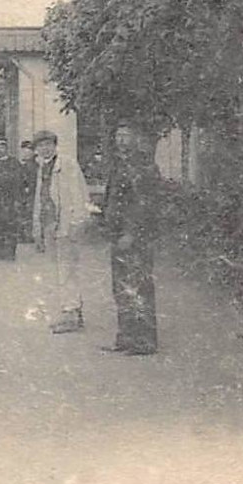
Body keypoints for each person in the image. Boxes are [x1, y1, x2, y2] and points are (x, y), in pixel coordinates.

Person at [103, 124, 160, 354]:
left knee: (139, 286)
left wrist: (131, 232)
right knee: (121, 287)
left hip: (136, 237)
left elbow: (143, 204)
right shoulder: (119, 164)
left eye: (126, 136)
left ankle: (144, 341)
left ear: (137, 138)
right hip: (118, 235)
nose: (121, 140)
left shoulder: (144, 165)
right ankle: (126, 337)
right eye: (118, 135)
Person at [29, 129, 91, 333]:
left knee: (67, 271)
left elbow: (80, 195)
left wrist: (77, 223)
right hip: (50, 225)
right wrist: (37, 227)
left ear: (55, 145)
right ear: (36, 149)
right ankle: (71, 311)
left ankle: (71, 314)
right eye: (40, 145)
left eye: (48, 144)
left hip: (66, 226)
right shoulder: (42, 168)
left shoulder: (67, 165)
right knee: (57, 272)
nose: (45, 148)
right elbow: (40, 198)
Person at [17, 139, 37, 246]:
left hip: (30, 194)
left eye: (28, 151)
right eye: (24, 151)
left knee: (29, 213)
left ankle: (28, 235)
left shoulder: (34, 166)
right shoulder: (23, 165)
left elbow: (32, 181)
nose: (25, 153)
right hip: (22, 194)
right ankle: (24, 234)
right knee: (23, 213)